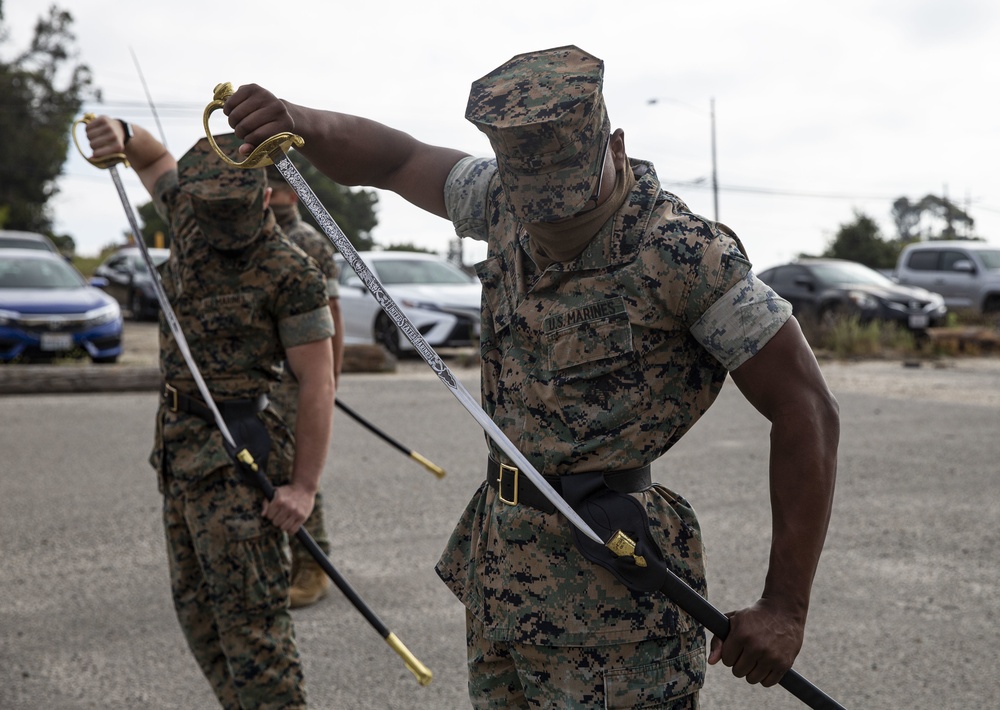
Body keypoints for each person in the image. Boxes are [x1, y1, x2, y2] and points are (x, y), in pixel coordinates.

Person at [224, 45, 840, 708]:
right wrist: (300, 122)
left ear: (617, 146)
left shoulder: (685, 254)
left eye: (567, 203)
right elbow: (395, 159)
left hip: (615, 593)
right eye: (535, 204)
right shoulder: (503, 201)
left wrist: (785, 606)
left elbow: (806, 408)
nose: (549, 221)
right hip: (503, 573)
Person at [85, 116, 336, 709]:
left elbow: (318, 382)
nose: (219, 222)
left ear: (263, 191)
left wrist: (303, 487)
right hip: (179, 452)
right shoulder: (191, 216)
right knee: (197, 614)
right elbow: (149, 158)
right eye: (206, 209)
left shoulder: (289, 269)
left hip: (239, 458)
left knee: (253, 629)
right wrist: (117, 131)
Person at [265, 162, 345, 609]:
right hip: (266, 374)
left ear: (290, 196)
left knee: (299, 471)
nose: (266, 199)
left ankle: (314, 565)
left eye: (272, 192)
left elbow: (333, 315)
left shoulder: (309, 242)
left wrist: (329, 379)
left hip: (300, 378)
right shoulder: (255, 236)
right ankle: (282, 560)